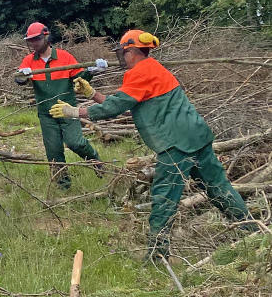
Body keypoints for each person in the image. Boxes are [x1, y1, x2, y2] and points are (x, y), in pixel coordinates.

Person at [51, 29, 252, 261]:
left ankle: (157, 256)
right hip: (196, 136)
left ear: (132, 52)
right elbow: (127, 103)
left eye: (122, 52)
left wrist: (74, 111)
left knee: (164, 197)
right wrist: (93, 93)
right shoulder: (153, 68)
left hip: (175, 143)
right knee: (219, 187)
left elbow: (115, 108)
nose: (121, 57)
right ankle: (251, 232)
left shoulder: (140, 71)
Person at [16, 22, 106, 189]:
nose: (34, 44)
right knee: (54, 151)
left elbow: (80, 78)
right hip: (46, 113)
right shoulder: (29, 61)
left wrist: (92, 71)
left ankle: (95, 159)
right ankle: (63, 186)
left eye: (36, 39)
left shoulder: (65, 57)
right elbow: (19, 79)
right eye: (31, 41)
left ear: (45, 36)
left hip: (67, 110)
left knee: (76, 143)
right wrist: (23, 75)